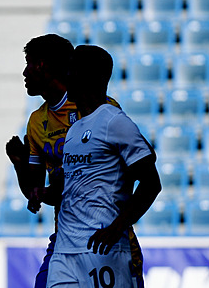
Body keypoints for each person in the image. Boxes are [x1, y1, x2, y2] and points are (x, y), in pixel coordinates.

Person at [5, 34, 145, 288]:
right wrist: (19, 165)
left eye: (29, 63)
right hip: (65, 240)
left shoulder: (101, 109)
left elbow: (137, 175)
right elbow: (36, 194)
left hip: (106, 238)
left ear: (43, 65)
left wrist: (117, 226)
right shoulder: (37, 122)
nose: (24, 72)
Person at [42, 45, 161, 288]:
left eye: (71, 70)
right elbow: (74, 185)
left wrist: (117, 228)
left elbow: (151, 183)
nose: (65, 76)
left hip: (102, 249)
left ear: (86, 76)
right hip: (64, 252)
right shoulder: (74, 130)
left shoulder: (114, 121)